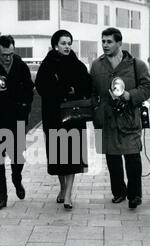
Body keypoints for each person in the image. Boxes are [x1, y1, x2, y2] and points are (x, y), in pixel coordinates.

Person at [90, 28, 150, 209]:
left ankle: (135, 195)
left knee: (133, 158)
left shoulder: (136, 64)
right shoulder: (96, 65)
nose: (105, 45)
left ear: (119, 43)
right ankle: (118, 192)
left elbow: (149, 87)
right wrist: (96, 109)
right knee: (112, 159)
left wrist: (129, 95)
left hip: (129, 119)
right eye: (103, 41)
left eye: (109, 42)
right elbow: (92, 91)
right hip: (106, 120)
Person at [35, 29, 91, 210]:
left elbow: (87, 86)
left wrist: (73, 89)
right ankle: (62, 187)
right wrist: (64, 88)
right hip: (54, 117)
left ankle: (68, 195)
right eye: (63, 43)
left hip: (74, 117)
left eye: (69, 43)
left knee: (72, 156)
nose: (67, 47)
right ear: (55, 45)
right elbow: (42, 88)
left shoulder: (78, 64)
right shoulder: (47, 65)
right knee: (58, 157)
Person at [0, 35, 34, 210]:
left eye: (11, 53)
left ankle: (17, 179)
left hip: (17, 119)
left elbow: (29, 89)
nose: (8, 57)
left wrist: (25, 108)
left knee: (17, 158)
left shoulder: (20, 65)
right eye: (4, 54)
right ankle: (1, 197)